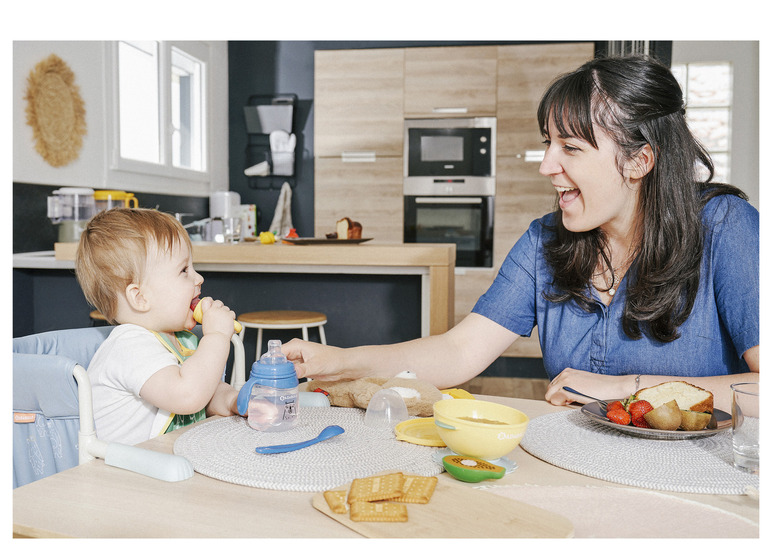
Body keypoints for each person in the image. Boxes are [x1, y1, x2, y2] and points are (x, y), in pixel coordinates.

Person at [282, 55, 759, 413]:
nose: (548, 166)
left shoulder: (726, 228)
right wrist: (336, 361)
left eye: (570, 147)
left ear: (639, 160)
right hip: (576, 465)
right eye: (548, 143)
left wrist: (626, 386)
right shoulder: (545, 241)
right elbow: (458, 351)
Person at [75, 208, 242, 445]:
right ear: (140, 297)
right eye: (184, 270)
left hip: (163, 463)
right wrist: (216, 336)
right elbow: (187, 396)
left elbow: (207, 394)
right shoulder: (130, 345)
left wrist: (233, 400)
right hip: (121, 475)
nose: (199, 279)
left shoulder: (181, 339)